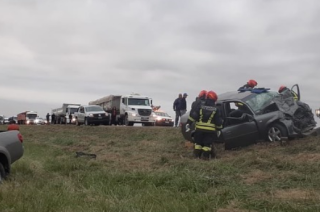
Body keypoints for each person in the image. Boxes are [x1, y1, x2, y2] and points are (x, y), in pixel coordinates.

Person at [187, 90, 223, 160]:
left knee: (198, 144)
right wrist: (219, 129)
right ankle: (205, 159)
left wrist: (189, 123)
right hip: (210, 132)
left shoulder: (200, 107)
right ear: (214, 99)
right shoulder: (216, 109)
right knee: (207, 145)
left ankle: (196, 157)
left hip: (199, 130)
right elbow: (218, 122)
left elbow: (193, 116)